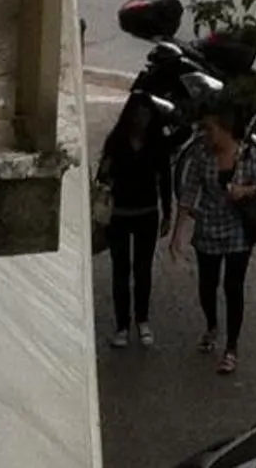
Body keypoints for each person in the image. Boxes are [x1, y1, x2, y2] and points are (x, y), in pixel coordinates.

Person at [171, 106, 256, 375]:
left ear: (225, 129)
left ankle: (231, 346)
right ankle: (212, 326)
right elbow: (189, 191)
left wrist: (245, 190)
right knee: (207, 283)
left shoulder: (250, 154)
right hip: (208, 227)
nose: (205, 134)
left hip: (239, 229)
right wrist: (177, 234)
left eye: (210, 128)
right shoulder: (201, 155)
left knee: (233, 286)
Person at [97, 94, 174, 349]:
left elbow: (165, 178)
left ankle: (142, 319)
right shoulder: (116, 142)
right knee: (121, 270)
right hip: (120, 214)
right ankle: (122, 324)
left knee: (142, 270)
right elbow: (103, 177)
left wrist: (167, 210)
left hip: (146, 212)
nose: (141, 120)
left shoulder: (157, 144)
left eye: (146, 115)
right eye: (138, 114)